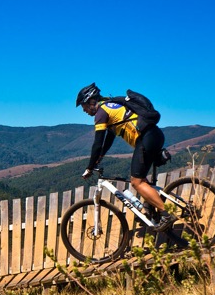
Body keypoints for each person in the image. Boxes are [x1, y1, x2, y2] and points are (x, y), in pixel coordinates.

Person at [75, 83, 176, 232]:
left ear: (91, 101)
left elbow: (97, 144)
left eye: (84, 106)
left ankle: (167, 215)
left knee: (136, 182)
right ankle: (149, 209)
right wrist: (99, 158)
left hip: (146, 138)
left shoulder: (101, 113)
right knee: (143, 180)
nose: (84, 110)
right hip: (154, 135)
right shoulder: (111, 106)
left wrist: (89, 167)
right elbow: (108, 140)